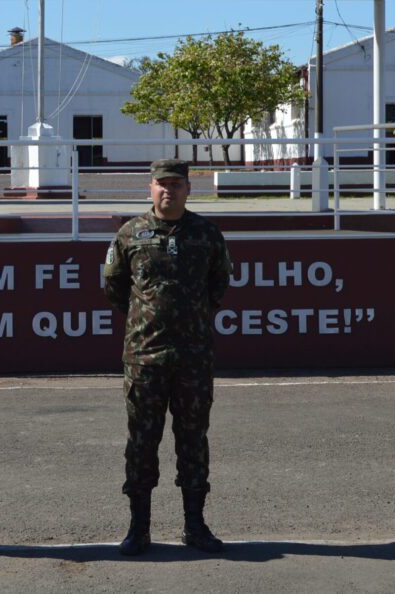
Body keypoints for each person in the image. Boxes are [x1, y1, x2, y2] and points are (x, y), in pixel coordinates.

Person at [102, 159, 232, 556]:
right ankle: (138, 529)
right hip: (145, 358)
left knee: (193, 441)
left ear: (189, 189)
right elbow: (114, 286)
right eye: (162, 184)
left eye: (176, 184)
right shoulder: (130, 234)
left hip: (193, 359)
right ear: (150, 187)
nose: (168, 191)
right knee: (142, 443)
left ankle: (196, 526)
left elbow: (219, 285)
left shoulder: (207, 234)